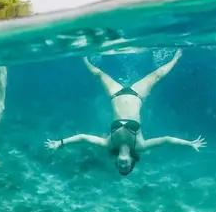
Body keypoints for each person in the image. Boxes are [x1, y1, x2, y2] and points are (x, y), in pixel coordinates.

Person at [45, 53, 205, 175]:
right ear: (132, 161)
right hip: (137, 94)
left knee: (99, 74)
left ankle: (85, 57)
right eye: (126, 166)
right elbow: (166, 140)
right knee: (157, 75)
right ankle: (176, 56)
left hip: (115, 94)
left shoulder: (109, 144)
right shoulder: (139, 145)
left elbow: (83, 138)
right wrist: (189, 144)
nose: (123, 165)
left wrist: (60, 143)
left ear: (116, 162)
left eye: (120, 166)